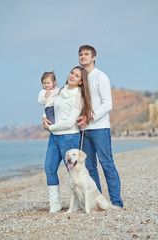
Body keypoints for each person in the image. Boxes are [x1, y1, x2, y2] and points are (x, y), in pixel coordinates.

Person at [77, 45, 123, 209]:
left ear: (93, 57)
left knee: (106, 164)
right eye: (81, 54)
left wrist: (90, 117)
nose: (83, 56)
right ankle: (98, 201)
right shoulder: (79, 78)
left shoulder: (100, 76)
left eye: (86, 54)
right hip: (83, 130)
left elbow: (108, 104)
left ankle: (116, 202)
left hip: (99, 128)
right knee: (89, 168)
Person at [43, 66, 92, 213]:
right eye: (72, 73)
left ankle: (76, 204)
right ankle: (55, 204)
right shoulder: (60, 91)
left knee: (74, 171)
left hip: (69, 136)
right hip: (55, 137)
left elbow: (70, 122)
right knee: (49, 168)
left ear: (81, 82)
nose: (72, 76)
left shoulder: (79, 97)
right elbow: (47, 106)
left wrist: (50, 128)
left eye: (76, 76)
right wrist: (44, 120)